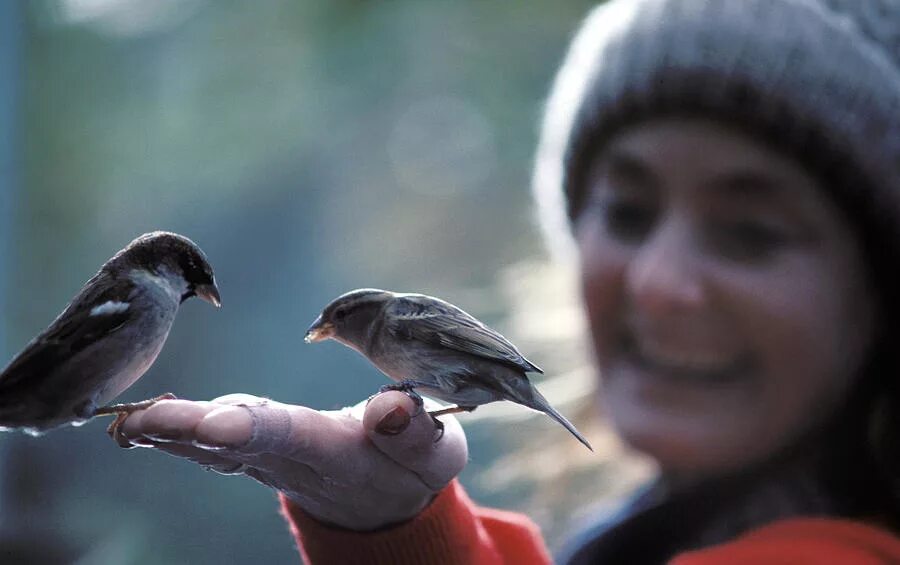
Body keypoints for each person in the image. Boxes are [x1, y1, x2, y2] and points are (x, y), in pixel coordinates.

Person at [115, 0, 900, 562]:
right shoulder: (631, 534)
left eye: (750, 231)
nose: (661, 284)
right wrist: (391, 525)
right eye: (627, 211)